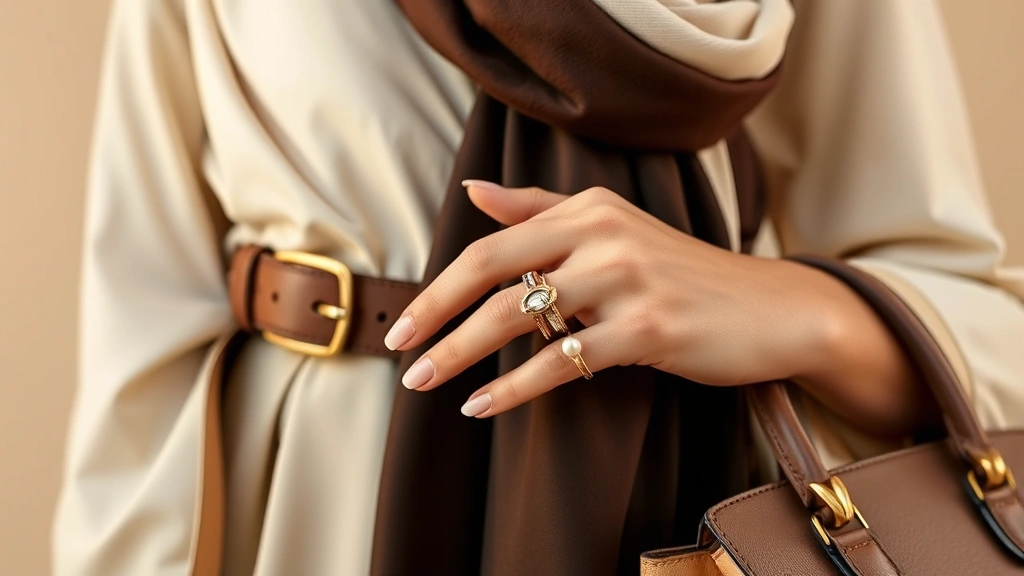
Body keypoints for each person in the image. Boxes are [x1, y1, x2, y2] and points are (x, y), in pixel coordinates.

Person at [54, 0, 1024, 575]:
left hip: (701, 498)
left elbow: (988, 334)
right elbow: (146, 306)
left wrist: (775, 304)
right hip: (318, 506)